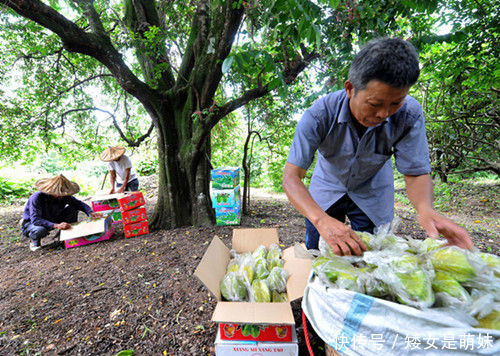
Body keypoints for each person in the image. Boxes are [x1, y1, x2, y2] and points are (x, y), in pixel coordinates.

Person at [282, 37, 473, 256]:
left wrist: (425, 209)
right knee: (318, 251)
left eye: (395, 103)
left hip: (373, 191)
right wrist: (321, 220)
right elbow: (291, 177)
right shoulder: (319, 115)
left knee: (372, 257)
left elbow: (415, 172)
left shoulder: (409, 114)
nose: (384, 114)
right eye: (375, 104)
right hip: (326, 187)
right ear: (350, 89)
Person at [21, 174, 94, 251]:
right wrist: (56, 225)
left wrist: (90, 212)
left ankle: (67, 236)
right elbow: (36, 220)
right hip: (32, 223)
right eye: (58, 194)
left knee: (73, 208)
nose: (61, 196)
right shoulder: (37, 197)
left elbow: (78, 203)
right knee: (40, 230)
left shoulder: (64, 196)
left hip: (53, 217)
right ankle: (34, 241)